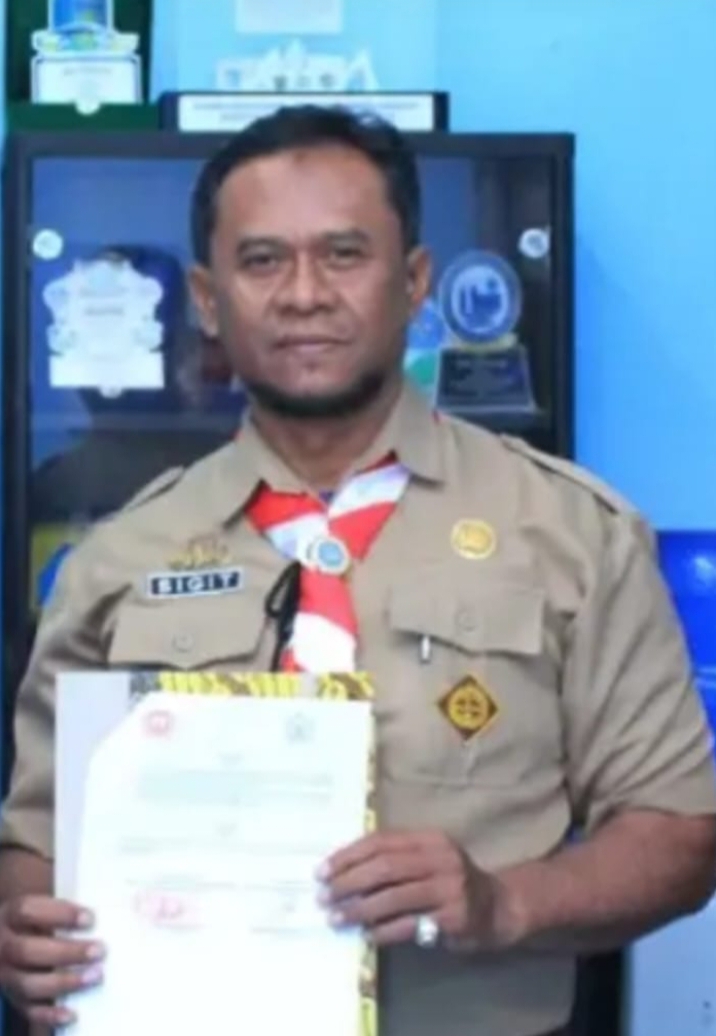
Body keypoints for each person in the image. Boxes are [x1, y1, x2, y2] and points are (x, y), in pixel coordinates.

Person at [0, 106, 714, 1036]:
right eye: (262, 260)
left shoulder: (572, 534)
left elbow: (680, 832)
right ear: (209, 301)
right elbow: (36, 840)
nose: (304, 293)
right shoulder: (116, 559)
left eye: (343, 254)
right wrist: (23, 931)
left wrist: (506, 904)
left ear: (414, 282)